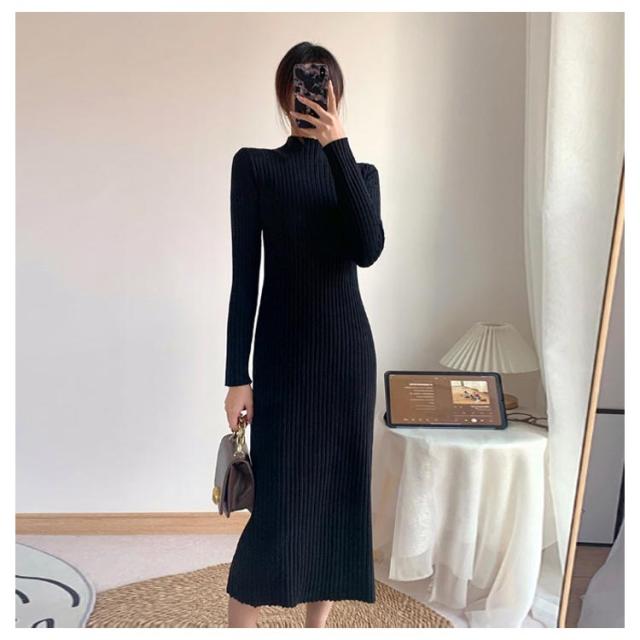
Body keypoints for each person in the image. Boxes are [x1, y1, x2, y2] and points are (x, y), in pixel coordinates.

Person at [223, 42, 385, 628]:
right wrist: (236, 376)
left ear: (336, 94)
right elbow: (245, 279)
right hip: (284, 360)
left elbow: (368, 249)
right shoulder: (254, 166)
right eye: (302, 85)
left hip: (347, 360)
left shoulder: (359, 173)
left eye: (320, 86)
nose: (310, 95)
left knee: (338, 502)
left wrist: (338, 145)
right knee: (276, 507)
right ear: (284, 93)